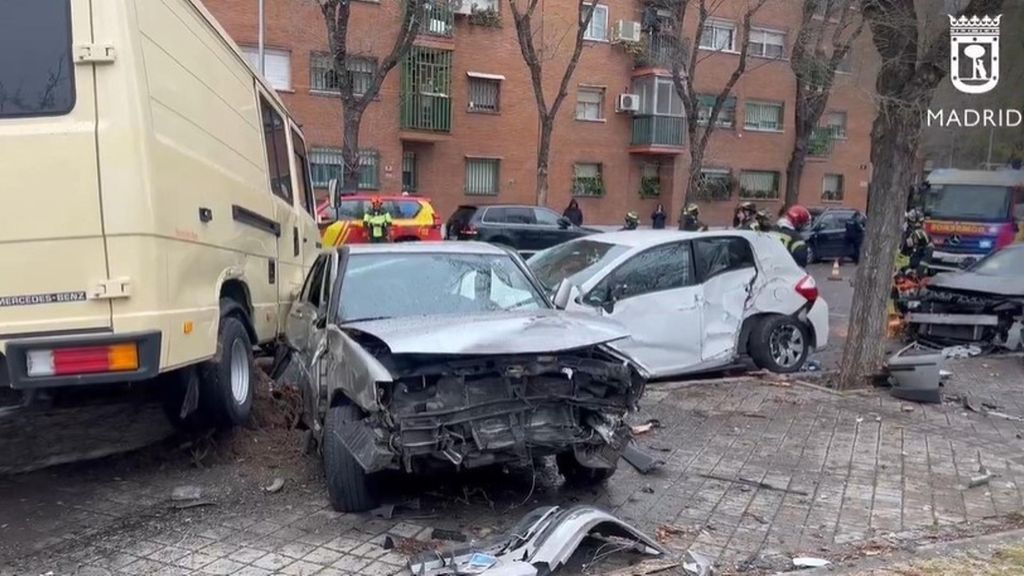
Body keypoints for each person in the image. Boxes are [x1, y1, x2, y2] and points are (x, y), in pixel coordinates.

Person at [899, 208, 932, 273]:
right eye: (913, 223)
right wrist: (906, 270)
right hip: (903, 268)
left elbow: (929, 249)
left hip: (915, 269)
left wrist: (920, 269)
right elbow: (901, 254)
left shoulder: (922, 236)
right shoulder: (904, 233)